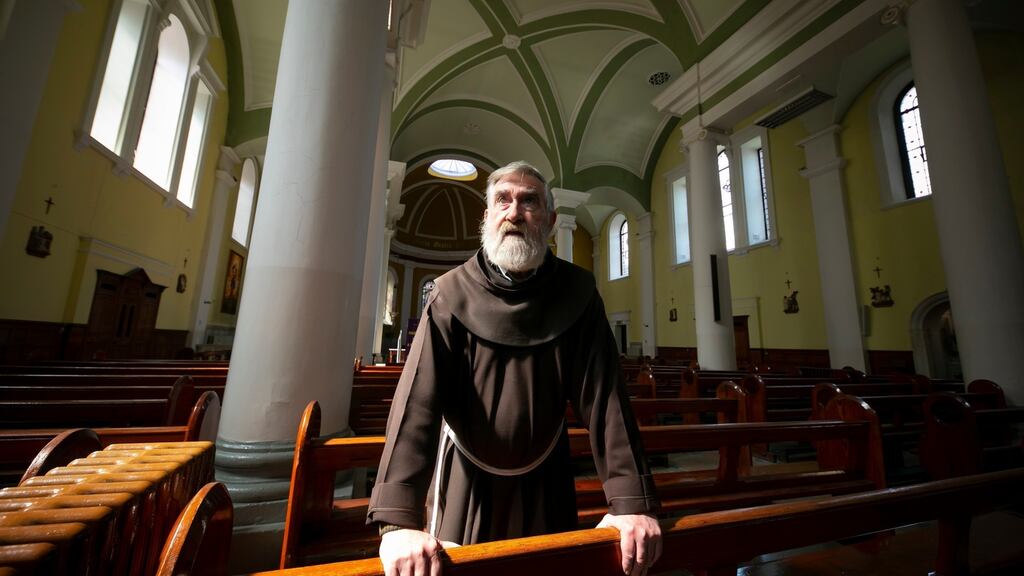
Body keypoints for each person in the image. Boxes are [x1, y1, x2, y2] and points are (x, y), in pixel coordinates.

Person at [367, 161, 661, 576]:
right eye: (503, 200)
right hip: (466, 481)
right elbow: (417, 405)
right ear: (487, 216)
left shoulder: (577, 293)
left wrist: (632, 504)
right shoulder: (450, 293)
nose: (515, 212)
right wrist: (398, 522)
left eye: (530, 202)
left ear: (551, 219)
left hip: (548, 475)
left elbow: (606, 399)